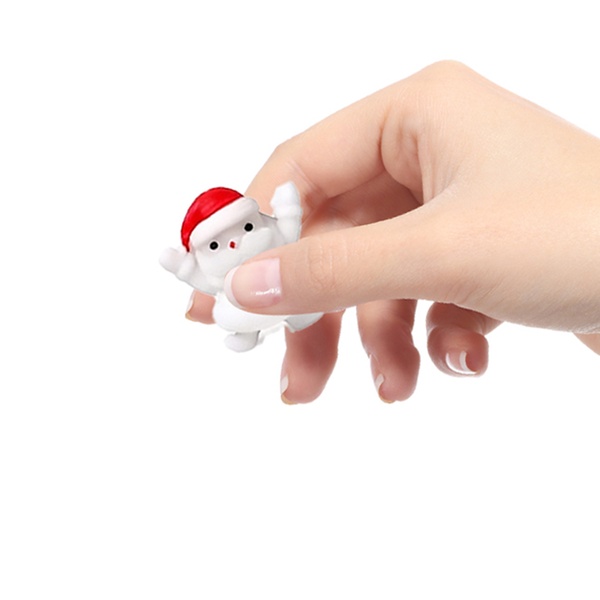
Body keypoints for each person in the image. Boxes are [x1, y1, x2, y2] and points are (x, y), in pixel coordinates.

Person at [185, 61, 600, 404]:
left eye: (244, 227)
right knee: (240, 316)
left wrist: (292, 220)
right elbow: (200, 274)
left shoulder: (275, 240)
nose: (235, 244)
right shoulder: (221, 269)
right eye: (218, 244)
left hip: (297, 310)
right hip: (259, 314)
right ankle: (247, 335)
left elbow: (289, 228)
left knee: (290, 314)